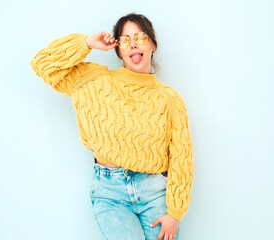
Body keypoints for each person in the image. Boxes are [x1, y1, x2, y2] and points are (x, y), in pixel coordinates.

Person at [30, 12, 194, 240]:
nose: (134, 44)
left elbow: (181, 157)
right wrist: (86, 43)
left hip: (154, 192)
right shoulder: (95, 81)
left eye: (141, 37)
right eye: (126, 40)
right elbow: (42, 63)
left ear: (153, 44)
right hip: (110, 193)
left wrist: (175, 212)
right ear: (118, 49)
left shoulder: (169, 99)